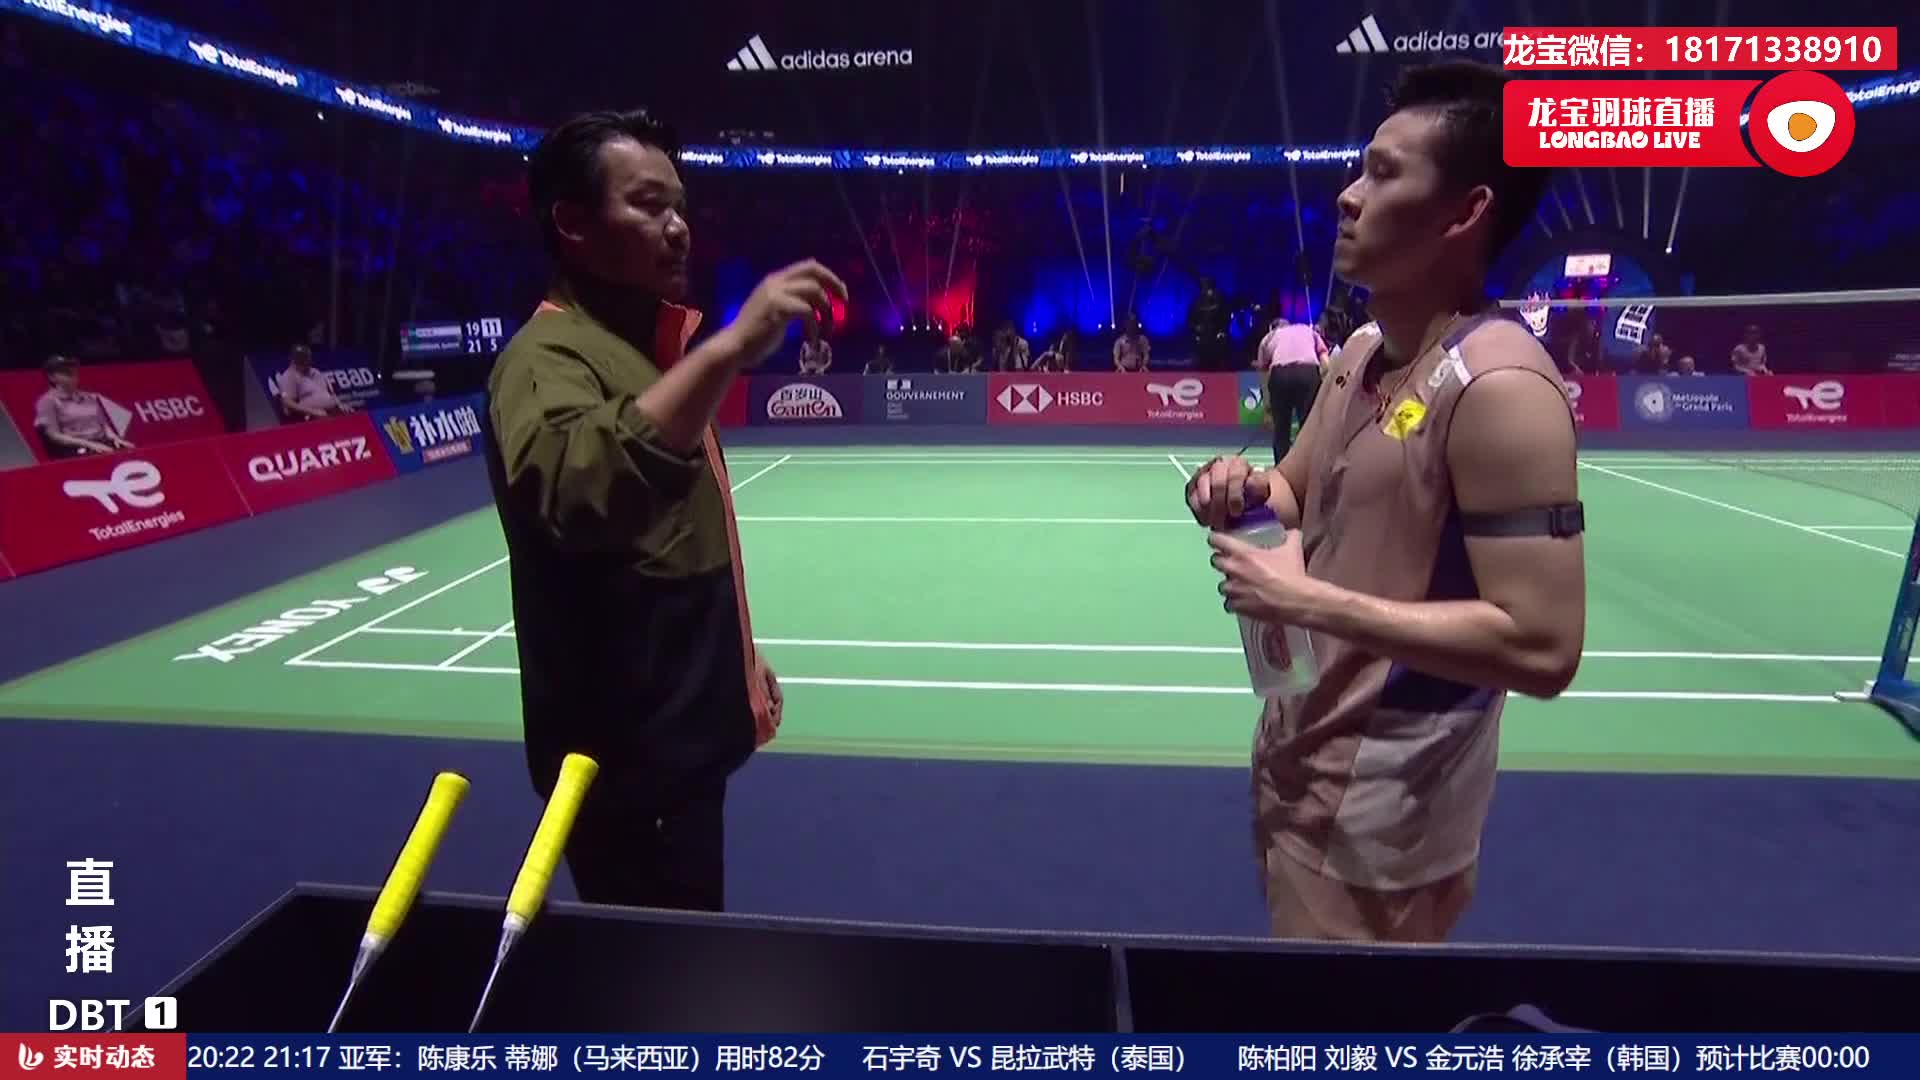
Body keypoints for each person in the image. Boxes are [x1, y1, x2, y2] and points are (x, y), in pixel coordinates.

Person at [1185, 60, 1584, 943]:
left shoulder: (1502, 389)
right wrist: (1237, 487)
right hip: (1297, 762)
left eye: (1383, 173)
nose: (1348, 196)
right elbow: (1292, 491)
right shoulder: (1361, 350)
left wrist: (1309, 602)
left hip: (1383, 825)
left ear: (1465, 212)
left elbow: (1545, 646)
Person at [485, 108, 846, 911]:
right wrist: (728, 350)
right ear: (573, 224)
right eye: (648, 205)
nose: (678, 228)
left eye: (679, 206)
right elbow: (579, 490)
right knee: (656, 969)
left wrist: (733, 657)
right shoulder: (545, 360)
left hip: (676, 749)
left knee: (685, 946)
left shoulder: (639, 350)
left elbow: (667, 543)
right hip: (626, 770)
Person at [1256, 316, 1330, 465]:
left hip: (1280, 374)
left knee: (1281, 429)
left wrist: (1268, 407)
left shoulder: (1269, 337)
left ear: (1273, 328)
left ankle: (1281, 469)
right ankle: (1308, 468)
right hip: (1308, 372)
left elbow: (1263, 374)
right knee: (1308, 428)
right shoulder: (1309, 331)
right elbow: (1327, 365)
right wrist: (1320, 387)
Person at [33, 355, 131, 458]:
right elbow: (54, 435)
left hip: (101, 442)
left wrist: (115, 439)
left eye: (73, 370)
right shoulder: (47, 402)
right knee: (103, 455)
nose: (72, 373)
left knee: (130, 451)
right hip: (75, 447)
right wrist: (89, 444)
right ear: (51, 377)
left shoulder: (89, 397)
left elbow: (104, 425)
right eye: (65, 371)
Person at [278, 344, 349, 420]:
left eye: (307, 358)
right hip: (312, 416)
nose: (307, 361)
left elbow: (330, 393)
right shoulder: (289, 376)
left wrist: (339, 404)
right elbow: (287, 403)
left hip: (333, 411)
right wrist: (313, 411)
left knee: (350, 415)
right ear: (293, 360)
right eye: (302, 358)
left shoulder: (315, 371)